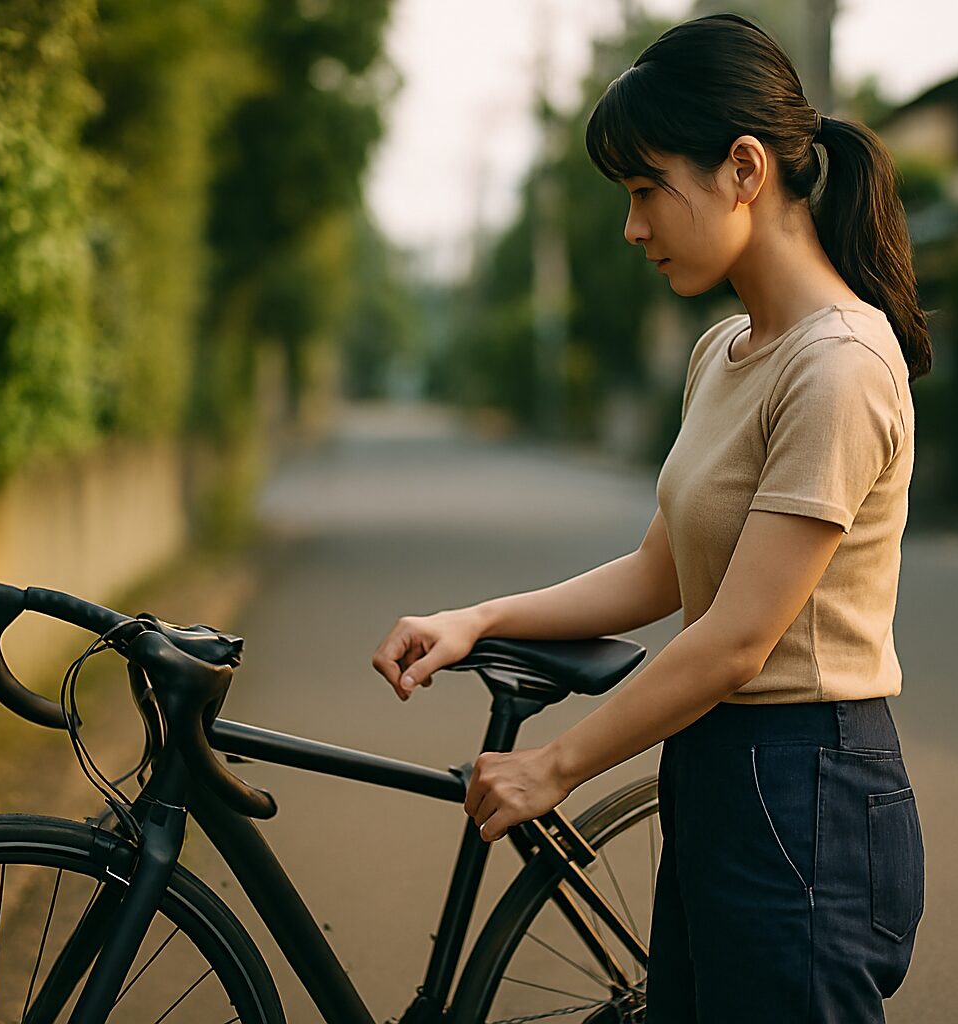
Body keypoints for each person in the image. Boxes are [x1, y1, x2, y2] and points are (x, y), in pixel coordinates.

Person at [371, 12, 929, 1022]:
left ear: (744, 168)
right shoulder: (724, 353)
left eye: (645, 189)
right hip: (713, 768)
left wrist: (555, 764)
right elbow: (659, 575)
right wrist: (477, 619)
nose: (632, 228)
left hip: (807, 784)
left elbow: (738, 639)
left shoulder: (840, 365)